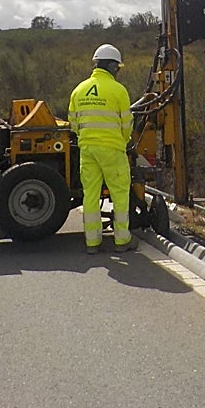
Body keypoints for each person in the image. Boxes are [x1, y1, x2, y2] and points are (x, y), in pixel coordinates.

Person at [68, 44, 135, 254]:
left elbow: (73, 123)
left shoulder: (79, 90)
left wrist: (86, 138)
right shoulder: (118, 90)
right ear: (113, 66)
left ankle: (92, 242)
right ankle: (121, 240)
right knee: (120, 193)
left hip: (87, 150)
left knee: (90, 195)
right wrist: (124, 141)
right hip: (112, 149)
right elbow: (127, 124)